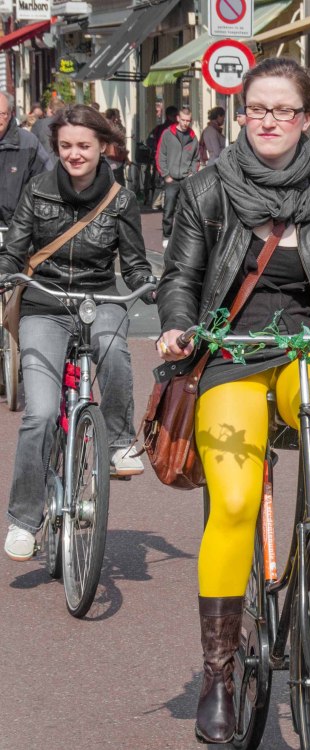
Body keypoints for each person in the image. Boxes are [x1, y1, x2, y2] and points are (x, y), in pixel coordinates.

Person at [155, 57, 310, 744]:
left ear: (305, 119)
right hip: (230, 347)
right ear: (243, 115)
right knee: (235, 501)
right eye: (257, 108)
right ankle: (217, 675)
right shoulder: (207, 187)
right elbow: (178, 275)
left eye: (283, 110)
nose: (268, 120)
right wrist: (178, 328)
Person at [0, 104, 155, 563]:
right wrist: (7, 274)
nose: (74, 154)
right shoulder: (37, 190)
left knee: (114, 353)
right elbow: (15, 250)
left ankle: (121, 442)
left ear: (102, 146)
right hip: (43, 305)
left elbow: (134, 260)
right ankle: (24, 521)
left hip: (99, 299)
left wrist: (147, 284)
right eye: (66, 146)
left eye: (83, 145)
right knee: (40, 413)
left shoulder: (121, 198)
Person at [0, 91, 51, 227]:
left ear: (10, 114)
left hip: (17, 230)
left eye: (2, 114)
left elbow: (46, 183)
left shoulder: (28, 143)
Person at [156, 106, 199, 251]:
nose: (186, 123)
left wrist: (193, 172)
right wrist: (166, 175)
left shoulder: (193, 137)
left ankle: (181, 238)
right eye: (184, 120)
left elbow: (196, 158)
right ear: (178, 119)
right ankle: (167, 236)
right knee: (168, 209)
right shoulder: (168, 134)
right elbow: (161, 155)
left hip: (186, 179)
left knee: (185, 210)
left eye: (188, 120)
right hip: (171, 179)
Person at [31, 96, 65, 166]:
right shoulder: (66, 124)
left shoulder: (39, 124)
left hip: (44, 165)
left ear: (50, 109)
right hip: (63, 165)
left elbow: (32, 146)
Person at [103, 107, 128, 186]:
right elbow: (120, 137)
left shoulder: (102, 124)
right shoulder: (112, 126)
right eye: (117, 116)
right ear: (113, 116)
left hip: (106, 158)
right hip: (114, 160)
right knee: (118, 183)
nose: (118, 118)